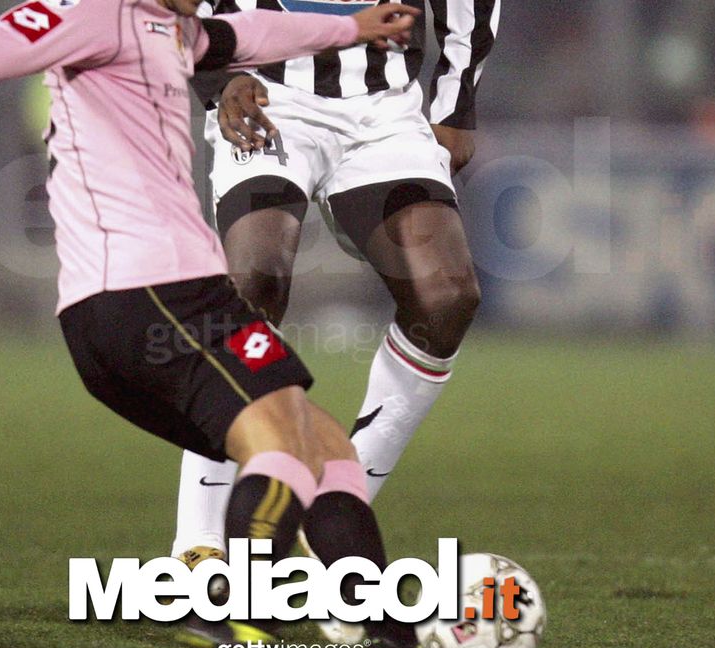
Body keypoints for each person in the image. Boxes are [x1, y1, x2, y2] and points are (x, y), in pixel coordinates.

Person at [0, 0, 428, 648]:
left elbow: (250, 33)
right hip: (145, 294)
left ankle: (391, 636)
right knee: (281, 440)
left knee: (324, 447)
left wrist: (351, 29)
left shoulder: (178, 30)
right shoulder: (97, 14)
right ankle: (234, 622)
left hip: (169, 299)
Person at [170, 0, 501, 605]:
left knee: (447, 297)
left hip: (385, 109)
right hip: (263, 92)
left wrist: (457, 103)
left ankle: (331, 514)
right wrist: (217, 76)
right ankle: (198, 540)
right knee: (252, 284)